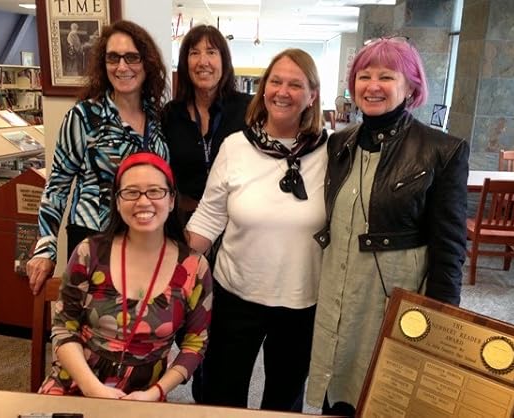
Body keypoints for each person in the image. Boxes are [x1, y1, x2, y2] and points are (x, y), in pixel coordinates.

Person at [306, 36, 469, 416]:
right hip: (338, 290)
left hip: (391, 296)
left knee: (387, 393)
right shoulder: (340, 143)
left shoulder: (441, 150)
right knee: (338, 390)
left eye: (386, 76)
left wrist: (439, 320)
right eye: (364, 76)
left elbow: (450, 247)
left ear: (411, 86)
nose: (372, 86)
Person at [186, 48, 328, 411]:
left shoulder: (331, 152)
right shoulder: (235, 147)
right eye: (275, 81)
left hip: (301, 299)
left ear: (312, 95)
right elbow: (208, 217)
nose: (283, 91)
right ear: (263, 89)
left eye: (295, 84)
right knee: (222, 394)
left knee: (284, 401)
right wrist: (165, 262)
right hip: (236, 294)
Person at [38, 152, 212, 400]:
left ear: (172, 199)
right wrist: (92, 388)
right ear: (118, 202)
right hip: (76, 383)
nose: (143, 201)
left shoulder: (194, 267)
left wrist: (156, 392)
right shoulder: (90, 252)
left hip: (145, 395)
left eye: (155, 191)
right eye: (131, 192)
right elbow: (65, 327)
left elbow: (195, 344)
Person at [27, 20, 169, 295]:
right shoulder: (84, 117)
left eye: (132, 57)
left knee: (137, 314)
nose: (122, 67)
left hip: (145, 238)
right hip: (93, 240)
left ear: (147, 63)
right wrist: (45, 249)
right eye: (113, 58)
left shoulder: (157, 117)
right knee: (94, 318)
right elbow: (57, 187)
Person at [161, 24, 251, 224]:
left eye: (211, 52)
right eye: (194, 53)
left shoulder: (248, 109)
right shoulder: (170, 114)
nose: (203, 62)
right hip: (183, 221)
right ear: (185, 63)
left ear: (224, 61)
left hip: (236, 223)